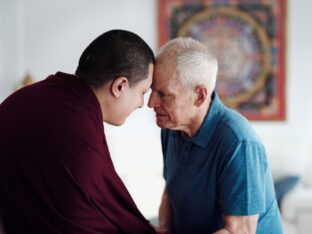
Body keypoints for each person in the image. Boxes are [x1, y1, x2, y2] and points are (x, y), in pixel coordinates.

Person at [0, 30, 157, 233]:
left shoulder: (28, 95)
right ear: (120, 86)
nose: (141, 104)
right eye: (142, 93)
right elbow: (84, 217)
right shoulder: (78, 133)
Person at [148, 38, 283, 234]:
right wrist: (165, 229)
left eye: (164, 94)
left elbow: (239, 231)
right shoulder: (171, 127)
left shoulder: (238, 141)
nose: (151, 103)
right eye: (152, 91)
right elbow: (171, 190)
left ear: (199, 96)